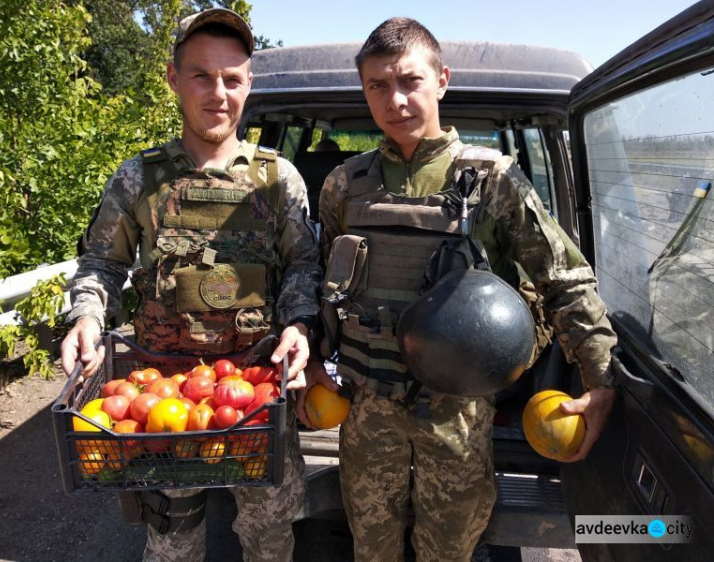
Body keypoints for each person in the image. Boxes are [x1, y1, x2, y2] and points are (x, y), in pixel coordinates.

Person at [300, 17, 618, 561]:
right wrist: (311, 359)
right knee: (371, 546)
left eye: (409, 81)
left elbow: (565, 279)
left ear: (441, 79)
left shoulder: (493, 179)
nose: (395, 99)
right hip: (366, 405)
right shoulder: (343, 185)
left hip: (457, 411)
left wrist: (600, 377)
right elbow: (318, 282)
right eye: (377, 85)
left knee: (449, 548)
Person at [60, 8, 322, 562]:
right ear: (174, 80)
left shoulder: (279, 180)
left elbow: (303, 265)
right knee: (172, 542)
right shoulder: (139, 177)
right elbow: (101, 263)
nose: (218, 93)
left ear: (249, 84)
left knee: (270, 541)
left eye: (232, 78)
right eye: (201, 75)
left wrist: (299, 325)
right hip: (162, 396)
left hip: (257, 398)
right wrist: (86, 317)